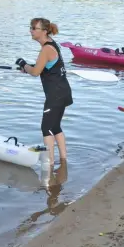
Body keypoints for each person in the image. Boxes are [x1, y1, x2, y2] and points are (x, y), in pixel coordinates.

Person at [16, 17, 73, 165]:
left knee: (46, 128)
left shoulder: (46, 49)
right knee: (55, 127)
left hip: (55, 95)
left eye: (34, 28)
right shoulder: (51, 45)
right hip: (63, 91)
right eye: (31, 27)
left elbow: (35, 72)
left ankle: (50, 164)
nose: (31, 31)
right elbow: (43, 67)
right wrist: (28, 67)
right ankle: (64, 160)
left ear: (44, 31)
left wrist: (24, 65)